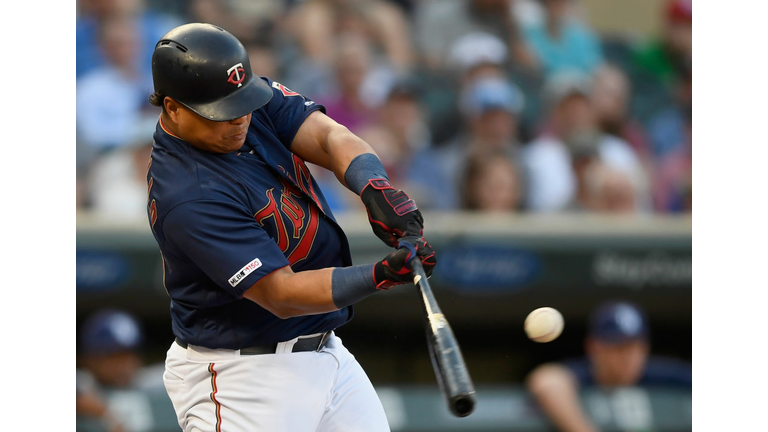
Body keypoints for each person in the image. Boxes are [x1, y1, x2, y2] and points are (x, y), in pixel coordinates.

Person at [145, 23, 437, 432]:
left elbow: (329, 136)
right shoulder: (187, 195)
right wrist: (380, 275)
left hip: (325, 350)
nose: (241, 118)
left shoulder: (238, 96)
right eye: (224, 113)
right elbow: (281, 294)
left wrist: (374, 187)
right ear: (173, 108)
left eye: (243, 102)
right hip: (242, 376)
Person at [526, 301, 692, 432]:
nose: (629, 358)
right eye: (618, 348)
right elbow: (546, 381)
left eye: (635, 347)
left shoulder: (659, 373)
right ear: (594, 347)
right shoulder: (586, 372)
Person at [76, 309, 168, 432]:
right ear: (91, 359)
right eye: (114, 356)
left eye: (129, 355)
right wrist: (104, 412)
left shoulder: (149, 381)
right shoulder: (84, 383)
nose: (124, 365)